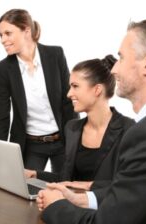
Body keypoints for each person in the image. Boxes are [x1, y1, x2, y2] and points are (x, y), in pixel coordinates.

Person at [37, 17, 146, 224]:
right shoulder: (73, 127)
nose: (114, 69)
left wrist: (56, 205)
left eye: (121, 58)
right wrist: (84, 198)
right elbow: (137, 193)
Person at [0, 9, 76, 179]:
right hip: (31, 145)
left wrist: (76, 140)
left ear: (26, 31)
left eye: (8, 33)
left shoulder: (55, 55)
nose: (3, 40)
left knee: (67, 188)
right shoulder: (3, 69)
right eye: (0, 35)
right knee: (24, 192)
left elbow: (68, 101)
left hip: (62, 141)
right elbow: (0, 117)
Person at [24, 55, 134, 190]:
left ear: (97, 90)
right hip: (73, 206)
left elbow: (130, 184)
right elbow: (66, 180)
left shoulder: (128, 129)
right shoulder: (72, 128)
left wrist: (88, 186)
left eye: (75, 86)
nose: (69, 94)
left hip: (106, 208)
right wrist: (35, 174)